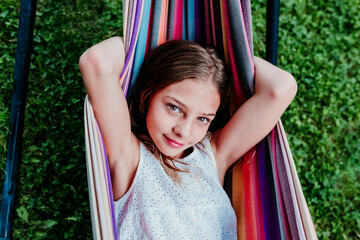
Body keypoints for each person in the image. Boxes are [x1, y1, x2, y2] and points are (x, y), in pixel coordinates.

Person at [79, 37, 297, 239]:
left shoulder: (213, 156)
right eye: (174, 107)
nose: (184, 131)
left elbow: (280, 88)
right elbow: (97, 62)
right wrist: (140, 42)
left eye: (202, 119)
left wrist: (231, 55)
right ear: (148, 94)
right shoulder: (130, 158)